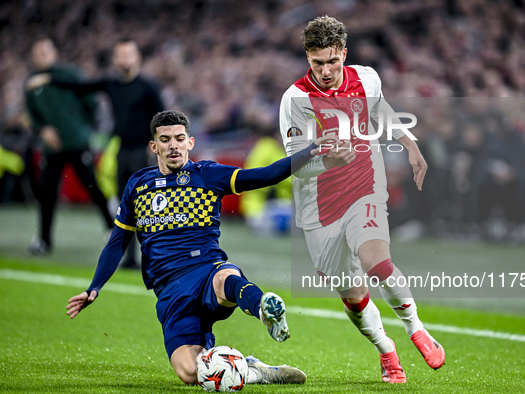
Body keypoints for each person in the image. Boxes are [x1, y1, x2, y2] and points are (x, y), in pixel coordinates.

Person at [66, 110, 333, 385]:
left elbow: (266, 175)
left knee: (225, 279)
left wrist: (310, 151)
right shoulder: (137, 185)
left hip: (206, 268)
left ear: (190, 143)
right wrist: (94, 287)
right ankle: (253, 370)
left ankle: (263, 308)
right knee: (191, 373)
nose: (173, 145)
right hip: (169, 289)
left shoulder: (207, 175)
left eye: (179, 138)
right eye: (165, 139)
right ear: (153, 146)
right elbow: (117, 242)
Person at [279, 16, 445, 384]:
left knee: (376, 260)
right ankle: (387, 350)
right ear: (308, 57)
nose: (325, 70)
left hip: (364, 185)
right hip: (319, 206)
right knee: (353, 296)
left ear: (343, 54)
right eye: (317, 63)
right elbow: (295, 164)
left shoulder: (366, 78)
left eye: (332, 62)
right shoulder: (295, 100)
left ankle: (417, 328)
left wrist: (409, 144)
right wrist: (325, 160)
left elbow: (380, 109)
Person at [45, 39, 165, 268]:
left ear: (137, 56)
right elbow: (82, 87)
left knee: (150, 207)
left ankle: (157, 258)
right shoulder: (112, 84)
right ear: (115, 59)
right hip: (122, 152)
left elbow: (162, 119)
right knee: (126, 205)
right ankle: (130, 258)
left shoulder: (148, 86)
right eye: (121, 54)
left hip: (144, 152)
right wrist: (49, 78)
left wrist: (159, 150)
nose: (125, 58)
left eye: (129, 53)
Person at [24, 38, 114, 255]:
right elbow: (33, 116)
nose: (42, 55)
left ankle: (111, 228)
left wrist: (80, 127)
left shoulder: (69, 75)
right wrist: (44, 129)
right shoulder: (32, 83)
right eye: (38, 52)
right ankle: (44, 240)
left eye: (46, 51)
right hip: (52, 147)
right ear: (33, 57)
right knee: (46, 191)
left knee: (91, 184)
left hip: (76, 141)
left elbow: (91, 102)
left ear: (55, 52)